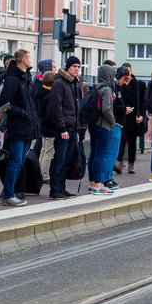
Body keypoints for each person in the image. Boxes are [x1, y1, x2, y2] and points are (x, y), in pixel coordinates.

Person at [0, 49, 39, 207]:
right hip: (18, 126)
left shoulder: (26, 78)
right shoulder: (13, 79)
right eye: (29, 58)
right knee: (15, 161)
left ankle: (12, 193)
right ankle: (8, 194)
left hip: (27, 126)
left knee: (20, 161)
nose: (31, 60)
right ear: (24, 60)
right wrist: (22, 112)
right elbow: (4, 103)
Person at [48, 56, 81, 200]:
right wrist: (62, 129)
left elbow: (76, 108)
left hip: (73, 128)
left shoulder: (75, 83)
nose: (77, 69)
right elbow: (56, 108)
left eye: (79, 67)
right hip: (64, 129)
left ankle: (62, 188)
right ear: (68, 67)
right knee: (59, 159)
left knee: (67, 160)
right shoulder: (59, 83)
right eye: (74, 66)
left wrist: (77, 129)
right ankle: (55, 189)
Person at [88, 64, 120, 194]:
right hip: (103, 125)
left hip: (94, 124)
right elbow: (106, 108)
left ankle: (92, 183)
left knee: (93, 155)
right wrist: (113, 121)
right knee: (100, 156)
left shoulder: (97, 87)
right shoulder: (107, 89)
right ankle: (98, 184)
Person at [115, 63, 145, 175]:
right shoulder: (119, 85)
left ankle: (131, 165)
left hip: (134, 117)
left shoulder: (139, 84)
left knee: (132, 141)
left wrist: (141, 114)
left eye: (129, 70)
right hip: (122, 116)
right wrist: (125, 86)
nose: (128, 73)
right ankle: (118, 163)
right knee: (122, 140)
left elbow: (143, 102)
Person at [34, 71, 56, 183]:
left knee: (44, 151)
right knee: (48, 152)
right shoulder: (49, 96)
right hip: (49, 128)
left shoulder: (40, 93)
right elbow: (50, 114)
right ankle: (45, 175)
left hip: (43, 126)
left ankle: (40, 173)